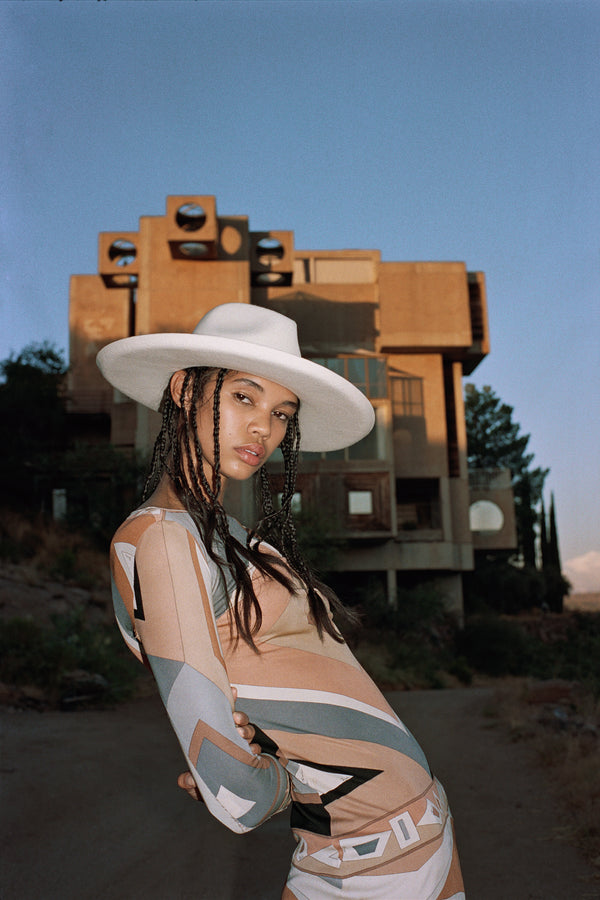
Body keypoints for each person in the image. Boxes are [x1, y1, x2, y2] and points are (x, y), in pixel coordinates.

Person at [97, 303, 465, 900]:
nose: (264, 429)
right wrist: (270, 776)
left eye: (281, 413)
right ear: (186, 389)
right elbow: (234, 795)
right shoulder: (162, 540)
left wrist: (274, 745)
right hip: (368, 867)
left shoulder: (230, 539)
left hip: (415, 842)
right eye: (244, 398)